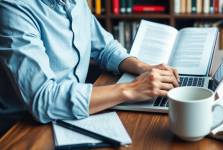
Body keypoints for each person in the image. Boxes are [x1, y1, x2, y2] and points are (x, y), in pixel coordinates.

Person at [0, 0, 179, 136]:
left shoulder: (76, 2)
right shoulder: (12, 8)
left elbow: (104, 47)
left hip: (73, 115)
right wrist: (132, 89)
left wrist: (143, 67)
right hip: (24, 128)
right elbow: (43, 99)